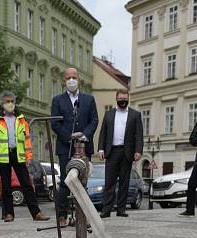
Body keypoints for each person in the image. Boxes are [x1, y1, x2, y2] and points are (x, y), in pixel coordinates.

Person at [0, 91, 49, 223]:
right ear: (2, 104)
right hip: (4, 156)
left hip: (19, 155)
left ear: (15, 103)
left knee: (27, 185)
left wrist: (29, 156)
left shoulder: (21, 120)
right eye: (7, 101)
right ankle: (8, 214)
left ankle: (36, 213)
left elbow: (27, 140)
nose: (10, 104)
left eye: (12, 101)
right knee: (6, 186)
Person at [50, 67, 99, 226]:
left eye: (74, 77)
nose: (71, 80)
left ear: (78, 79)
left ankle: (83, 217)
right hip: (66, 147)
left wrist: (84, 135)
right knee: (66, 181)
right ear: (64, 81)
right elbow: (55, 123)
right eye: (68, 77)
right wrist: (69, 136)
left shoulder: (89, 99)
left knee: (82, 182)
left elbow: (94, 120)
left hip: (84, 147)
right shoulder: (57, 100)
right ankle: (62, 215)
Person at [97, 89, 143, 218]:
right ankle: (106, 210)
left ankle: (121, 210)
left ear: (128, 99)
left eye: (125, 98)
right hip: (111, 152)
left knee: (124, 183)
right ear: (116, 99)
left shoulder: (135, 115)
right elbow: (103, 133)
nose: (123, 101)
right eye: (120, 98)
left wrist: (138, 151)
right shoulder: (109, 114)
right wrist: (101, 149)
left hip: (127, 152)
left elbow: (139, 135)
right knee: (109, 183)